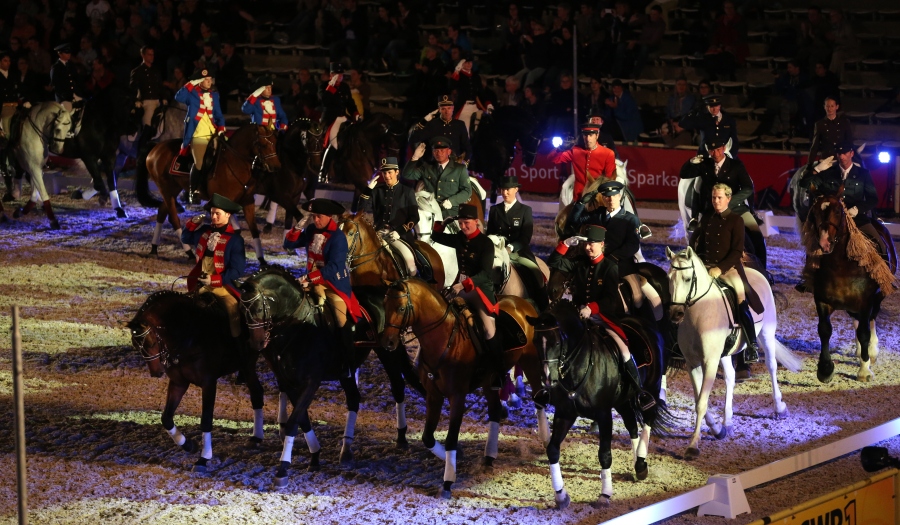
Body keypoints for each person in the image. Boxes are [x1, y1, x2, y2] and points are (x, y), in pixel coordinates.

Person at [548, 224, 656, 410]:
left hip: (602, 318)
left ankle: (639, 391)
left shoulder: (609, 267)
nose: (588, 247)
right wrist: (564, 244)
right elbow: (555, 262)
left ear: (602, 245)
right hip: (579, 318)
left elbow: (610, 299)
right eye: (586, 244)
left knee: (623, 351)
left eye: (592, 244)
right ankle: (555, 386)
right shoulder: (579, 263)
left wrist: (592, 308)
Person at [284, 198, 362, 377]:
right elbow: (288, 245)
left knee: (341, 320)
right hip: (310, 281)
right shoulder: (311, 230)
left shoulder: (338, 237)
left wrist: (310, 277)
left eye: (319, 216)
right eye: (313, 216)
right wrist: (297, 228)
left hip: (333, 285)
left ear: (329, 216)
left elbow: (334, 267)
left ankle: (348, 363)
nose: (315, 220)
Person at [432, 203, 505, 388]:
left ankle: (499, 373)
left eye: (467, 223)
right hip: (459, 287)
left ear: (476, 222)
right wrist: (443, 223)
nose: (463, 227)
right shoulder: (459, 238)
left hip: (479, 290)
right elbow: (435, 236)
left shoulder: (485, 243)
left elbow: (485, 274)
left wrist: (462, 285)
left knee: (488, 330)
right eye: (461, 223)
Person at [796, 141, 881, 293]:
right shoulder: (828, 173)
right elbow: (803, 184)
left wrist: (857, 209)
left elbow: (873, 199)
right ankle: (809, 279)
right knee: (814, 244)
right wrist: (816, 170)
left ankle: (882, 276)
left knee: (878, 242)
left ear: (851, 154)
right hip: (831, 218)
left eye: (845, 153)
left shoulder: (863, 174)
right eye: (839, 153)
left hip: (856, 217)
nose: (842, 156)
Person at [689, 183, 760, 363]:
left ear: (728, 199)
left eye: (719, 198)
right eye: (714, 198)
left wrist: (719, 269)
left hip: (728, 269)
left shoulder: (736, 221)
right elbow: (698, 245)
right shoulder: (707, 219)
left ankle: (752, 345)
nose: (716, 201)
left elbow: (736, 252)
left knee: (740, 297)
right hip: (706, 267)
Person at [679, 136, 766, 269]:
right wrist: (691, 161)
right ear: (709, 151)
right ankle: (694, 219)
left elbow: (748, 188)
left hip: (736, 208)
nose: (716, 154)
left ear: (724, 148)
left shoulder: (736, 165)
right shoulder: (705, 165)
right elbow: (684, 174)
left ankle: (763, 270)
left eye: (718, 150)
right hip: (712, 209)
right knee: (696, 237)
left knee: (757, 235)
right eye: (712, 150)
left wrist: (730, 202)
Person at [182, 193, 246, 338]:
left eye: (218, 213)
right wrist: (192, 223)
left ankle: (236, 343)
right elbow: (185, 238)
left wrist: (214, 280)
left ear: (228, 215)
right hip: (201, 285)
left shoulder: (235, 240)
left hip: (223, 287)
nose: (214, 217)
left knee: (233, 310)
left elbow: (237, 270)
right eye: (212, 213)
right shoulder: (204, 231)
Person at [486, 175, 547, 309]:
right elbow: (489, 232)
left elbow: (526, 236)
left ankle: (543, 305)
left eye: (508, 189)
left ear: (516, 189)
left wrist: (510, 247)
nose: (505, 192)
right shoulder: (495, 210)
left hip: (518, 252)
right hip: (497, 251)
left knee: (535, 272)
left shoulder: (525, 210)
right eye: (502, 189)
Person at [174, 68, 226, 204]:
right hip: (198, 133)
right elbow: (178, 97)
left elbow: (218, 114)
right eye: (206, 80)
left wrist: (221, 127)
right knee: (199, 162)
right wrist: (191, 83)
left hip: (213, 132)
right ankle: (193, 191)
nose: (209, 82)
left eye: (210, 80)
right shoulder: (192, 93)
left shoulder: (214, 95)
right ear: (199, 81)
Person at [361, 157, 419, 276]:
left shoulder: (407, 191)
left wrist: (400, 231)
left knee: (410, 265)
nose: (386, 176)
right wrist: (368, 190)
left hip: (399, 236)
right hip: (378, 234)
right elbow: (360, 209)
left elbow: (414, 217)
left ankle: (412, 283)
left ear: (397, 172)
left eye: (389, 172)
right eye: (384, 173)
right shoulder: (377, 190)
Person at [402, 135, 471, 219]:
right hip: (430, 211)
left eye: (442, 150)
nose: (439, 153)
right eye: (436, 151)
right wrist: (415, 157)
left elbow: (467, 191)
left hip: (450, 212)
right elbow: (407, 175)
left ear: (449, 152)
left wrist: (451, 201)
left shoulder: (459, 169)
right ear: (432, 152)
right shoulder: (426, 167)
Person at [548, 121, 616, 202]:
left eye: (591, 135)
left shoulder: (608, 153)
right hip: (578, 197)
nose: (588, 139)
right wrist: (560, 148)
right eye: (585, 135)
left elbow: (609, 179)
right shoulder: (575, 151)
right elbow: (552, 159)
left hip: (597, 198)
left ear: (597, 135)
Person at [410, 95, 472, 162]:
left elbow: (467, 147)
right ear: (439, 109)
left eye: (449, 108)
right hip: (435, 164)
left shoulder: (459, 125)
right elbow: (413, 139)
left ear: (453, 108)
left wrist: (464, 162)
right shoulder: (432, 124)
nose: (447, 112)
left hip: (454, 163)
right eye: (443, 109)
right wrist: (424, 121)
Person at [805, 96, 852, 173]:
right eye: (828, 106)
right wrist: (809, 165)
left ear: (837, 107)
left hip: (840, 160)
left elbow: (849, 142)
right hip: (825, 160)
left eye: (832, 106)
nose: (830, 109)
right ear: (824, 107)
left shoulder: (844, 123)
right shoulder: (820, 124)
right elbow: (815, 146)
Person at [129, 45, 163, 153]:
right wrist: (136, 100)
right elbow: (132, 89)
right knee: (148, 125)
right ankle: (140, 151)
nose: (152, 57)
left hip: (158, 101)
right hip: (147, 102)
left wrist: (164, 98)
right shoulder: (137, 71)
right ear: (143, 55)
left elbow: (160, 87)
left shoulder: (156, 71)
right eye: (149, 54)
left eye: (153, 54)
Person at [49, 43, 84, 132]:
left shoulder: (70, 65)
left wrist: (78, 93)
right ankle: (66, 131)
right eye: (66, 52)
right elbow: (57, 86)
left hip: (74, 95)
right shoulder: (56, 68)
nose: (69, 54)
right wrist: (68, 97)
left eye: (69, 52)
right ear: (60, 54)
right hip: (63, 98)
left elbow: (76, 79)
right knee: (66, 112)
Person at [449, 52, 484, 136]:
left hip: (475, 106)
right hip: (464, 107)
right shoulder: (459, 76)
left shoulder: (476, 76)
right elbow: (451, 86)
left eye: (470, 62)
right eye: (466, 62)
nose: (469, 64)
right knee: (465, 129)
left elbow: (481, 92)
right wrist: (457, 71)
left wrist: (487, 104)